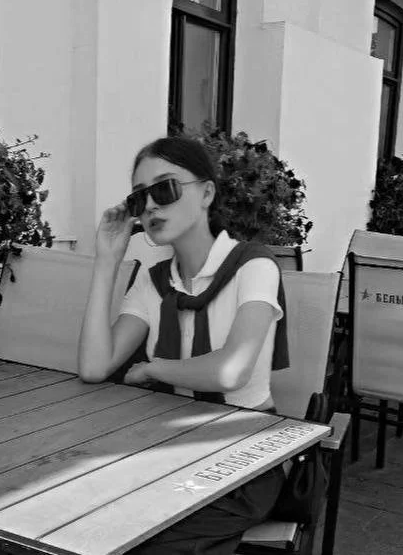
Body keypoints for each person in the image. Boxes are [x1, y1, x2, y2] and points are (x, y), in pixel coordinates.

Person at [78, 135, 288, 555]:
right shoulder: (153, 282)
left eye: (165, 189)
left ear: (207, 193)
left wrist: (153, 368)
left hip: (241, 455)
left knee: (140, 540)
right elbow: (94, 367)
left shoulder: (254, 266)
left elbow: (230, 371)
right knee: (85, 518)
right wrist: (107, 261)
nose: (150, 206)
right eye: (139, 198)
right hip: (167, 449)